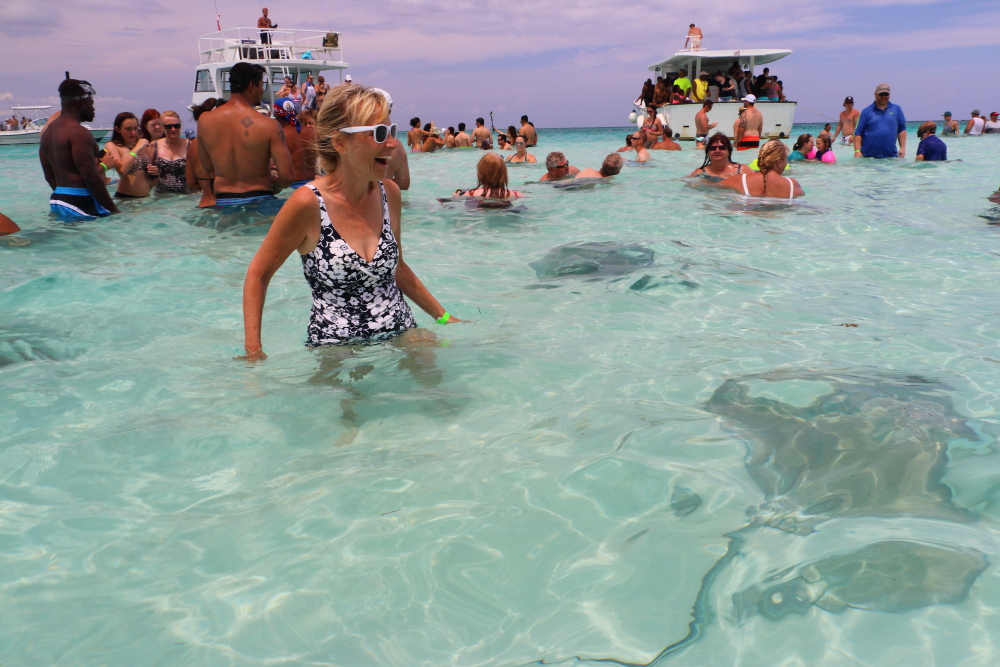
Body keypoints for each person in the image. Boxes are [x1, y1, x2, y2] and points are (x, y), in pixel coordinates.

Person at [241, 84, 458, 359]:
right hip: (337, 350)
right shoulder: (307, 203)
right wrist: (253, 352)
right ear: (340, 142)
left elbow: (397, 267)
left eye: (391, 131)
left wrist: (444, 318)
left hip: (402, 334)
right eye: (380, 133)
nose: (392, 143)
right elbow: (258, 274)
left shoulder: (388, 192)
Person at [197, 62, 294, 207]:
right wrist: (277, 187)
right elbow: (288, 176)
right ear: (251, 85)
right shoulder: (269, 125)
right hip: (261, 201)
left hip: (223, 203)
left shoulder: (205, 120)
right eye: (261, 85)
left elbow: (207, 167)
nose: (262, 90)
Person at [40, 78, 120, 220]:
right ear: (80, 103)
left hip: (58, 199)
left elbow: (49, 176)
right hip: (79, 201)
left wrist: (65, 197)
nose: (93, 108)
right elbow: (90, 177)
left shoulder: (47, 133)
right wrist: (114, 211)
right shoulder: (78, 132)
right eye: (92, 103)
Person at [716, 139, 803, 198]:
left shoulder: (739, 180)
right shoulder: (793, 185)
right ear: (779, 162)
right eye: (785, 160)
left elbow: (711, 189)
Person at [105, 112, 159, 198]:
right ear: (118, 129)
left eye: (135, 128)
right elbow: (122, 170)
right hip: (126, 198)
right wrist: (137, 148)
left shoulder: (142, 146)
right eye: (128, 129)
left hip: (145, 198)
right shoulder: (113, 146)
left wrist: (156, 173)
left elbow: (149, 178)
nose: (133, 132)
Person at [186, 97, 223, 207]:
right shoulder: (228, 141)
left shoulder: (194, 145)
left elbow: (191, 184)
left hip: (204, 204)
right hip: (227, 203)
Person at [273, 98, 317, 188]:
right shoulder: (311, 132)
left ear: (277, 116)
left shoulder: (280, 135)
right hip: (313, 184)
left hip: (292, 186)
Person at [854, 83, 906, 158]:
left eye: (886, 94)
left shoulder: (897, 109)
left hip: (890, 156)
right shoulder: (866, 111)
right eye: (881, 94)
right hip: (868, 157)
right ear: (875, 94)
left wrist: (902, 148)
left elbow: (902, 129)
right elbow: (858, 132)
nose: (884, 96)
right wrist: (857, 151)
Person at [455, 152, 523, 198]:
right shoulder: (516, 194)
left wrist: (457, 196)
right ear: (503, 173)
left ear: (481, 172)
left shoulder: (471, 194)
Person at [152, 110, 189, 193]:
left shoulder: (190, 145)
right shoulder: (154, 146)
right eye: (168, 126)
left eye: (177, 126)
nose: (173, 129)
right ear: (161, 127)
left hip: (186, 197)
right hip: (161, 198)